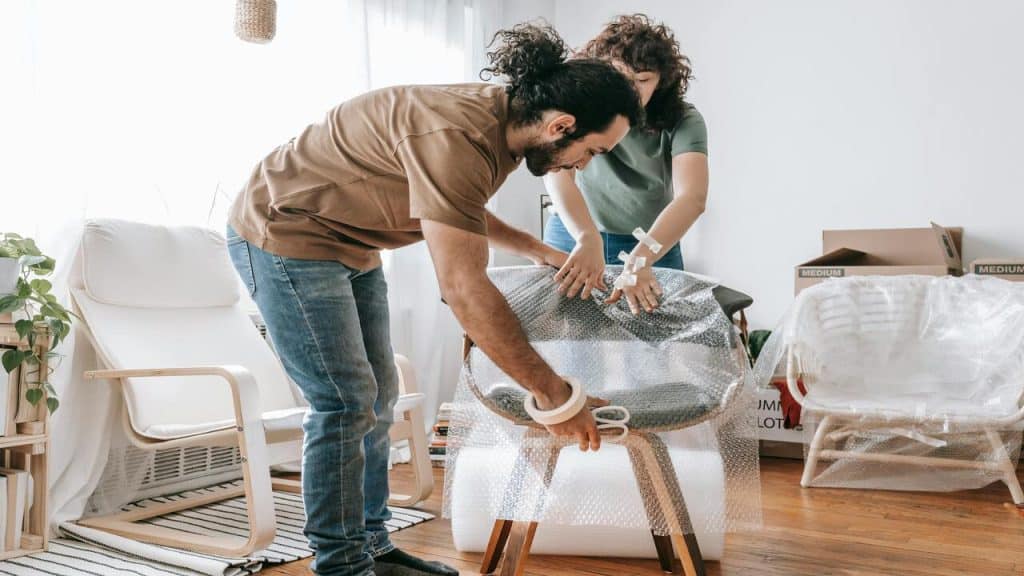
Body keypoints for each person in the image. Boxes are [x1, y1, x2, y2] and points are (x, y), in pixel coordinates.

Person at [226, 23, 643, 576]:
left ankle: (371, 546)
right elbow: (465, 292)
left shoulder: (502, 127)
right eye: (590, 151)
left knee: (378, 397)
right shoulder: (458, 136)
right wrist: (557, 397)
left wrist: (536, 248)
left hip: (352, 241)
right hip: (285, 233)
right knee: (346, 401)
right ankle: (340, 563)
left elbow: (455, 204)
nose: (584, 166)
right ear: (560, 126)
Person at [542, 14, 708, 315]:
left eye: (643, 80)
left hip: (651, 240)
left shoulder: (685, 120)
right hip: (575, 231)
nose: (632, 89)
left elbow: (692, 198)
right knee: (567, 338)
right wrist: (585, 236)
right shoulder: (578, 107)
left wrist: (641, 258)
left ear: (662, 80)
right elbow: (558, 176)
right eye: (622, 76)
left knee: (654, 342)